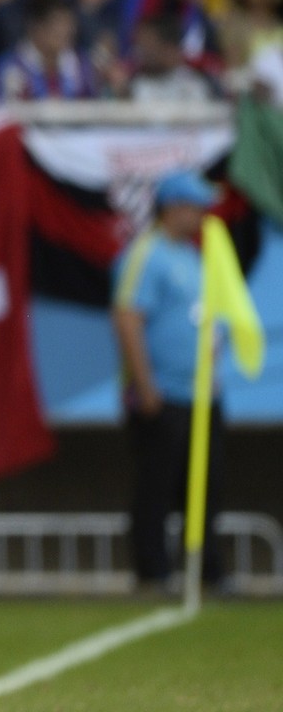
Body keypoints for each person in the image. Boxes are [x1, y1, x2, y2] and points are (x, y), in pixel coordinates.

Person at [111, 170, 229, 592]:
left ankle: (207, 570)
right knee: (155, 487)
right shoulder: (145, 254)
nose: (202, 215)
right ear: (173, 207)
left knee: (204, 486)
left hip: (201, 393)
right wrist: (146, 387)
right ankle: (153, 574)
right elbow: (128, 318)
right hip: (162, 396)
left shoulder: (193, 256)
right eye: (196, 206)